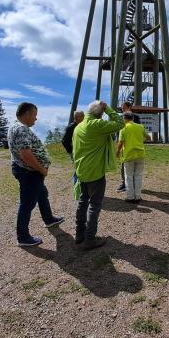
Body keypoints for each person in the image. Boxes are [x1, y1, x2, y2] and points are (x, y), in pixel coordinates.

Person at [7, 102, 64, 247]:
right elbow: (25, 154)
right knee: (27, 203)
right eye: (34, 115)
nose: (36, 119)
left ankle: (49, 219)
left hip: (27, 170)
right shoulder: (21, 129)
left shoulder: (15, 126)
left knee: (42, 193)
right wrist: (41, 169)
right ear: (26, 113)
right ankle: (23, 237)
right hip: (29, 171)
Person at [73, 100, 124, 250]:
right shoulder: (97, 125)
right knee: (94, 205)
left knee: (83, 202)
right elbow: (120, 122)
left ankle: (79, 234)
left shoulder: (79, 126)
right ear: (100, 114)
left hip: (81, 171)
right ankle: (90, 239)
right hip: (95, 173)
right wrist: (107, 108)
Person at [117, 112, 149, 203]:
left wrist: (117, 152)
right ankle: (138, 196)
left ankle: (130, 197)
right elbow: (148, 137)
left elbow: (120, 143)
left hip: (129, 155)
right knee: (138, 176)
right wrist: (141, 140)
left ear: (125, 118)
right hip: (140, 154)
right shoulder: (140, 127)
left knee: (129, 177)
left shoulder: (123, 128)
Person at [116, 102, 141, 192]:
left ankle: (131, 184)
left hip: (134, 146)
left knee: (133, 167)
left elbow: (139, 131)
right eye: (122, 108)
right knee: (123, 166)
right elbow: (118, 130)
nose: (122, 109)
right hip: (123, 145)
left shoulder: (136, 117)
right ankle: (124, 183)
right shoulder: (120, 117)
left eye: (124, 107)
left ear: (130, 107)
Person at [62, 110, 85, 183]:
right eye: (82, 116)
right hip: (75, 152)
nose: (83, 117)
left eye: (83, 115)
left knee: (82, 168)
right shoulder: (71, 127)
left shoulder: (82, 125)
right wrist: (71, 151)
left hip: (81, 152)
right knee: (79, 169)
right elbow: (64, 141)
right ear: (77, 117)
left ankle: (81, 187)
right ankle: (77, 186)